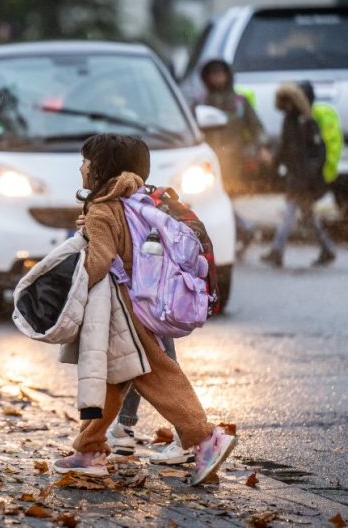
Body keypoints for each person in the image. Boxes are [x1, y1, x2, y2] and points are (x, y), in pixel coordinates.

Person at [52, 134, 237, 484]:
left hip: (122, 309)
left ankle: (203, 437)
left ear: (98, 171)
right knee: (113, 379)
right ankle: (89, 448)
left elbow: (101, 259)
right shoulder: (131, 200)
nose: (81, 167)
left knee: (157, 376)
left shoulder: (101, 208)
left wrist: (72, 286)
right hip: (137, 302)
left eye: (86, 163)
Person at [197, 59, 268, 258]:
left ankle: (244, 230)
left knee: (222, 201)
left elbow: (257, 128)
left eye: (221, 73)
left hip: (234, 163)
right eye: (213, 74)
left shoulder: (240, 102)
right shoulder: (200, 102)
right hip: (205, 164)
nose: (217, 78)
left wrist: (259, 149)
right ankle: (243, 230)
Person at [260, 83, 336, 267]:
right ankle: (327, 249)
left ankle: (277, 251)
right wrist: (274, 163)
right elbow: (285, 147)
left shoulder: (308, 123)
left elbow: (319, 152)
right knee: (308, 216)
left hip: (304, 180)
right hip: (295, 177)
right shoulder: (289, 120)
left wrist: (309, 176)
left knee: (289, 213)